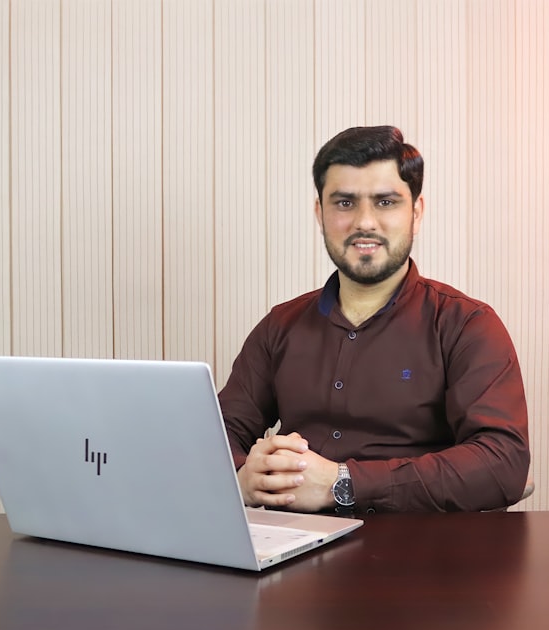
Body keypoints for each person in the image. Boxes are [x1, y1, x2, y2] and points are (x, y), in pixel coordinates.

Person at [218, 125, 529, 513]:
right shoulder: (280, 326)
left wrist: (343, 483)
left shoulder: (467, 325)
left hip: (424, 559)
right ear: (320, 213)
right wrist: (242, 477)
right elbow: (219, 433)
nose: (365, 222)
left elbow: (502, 463)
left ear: (416, 212)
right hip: (292, 552)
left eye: (385, 202)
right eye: (345, 203)